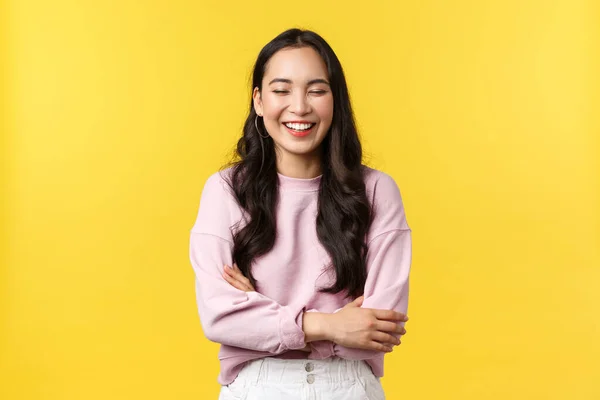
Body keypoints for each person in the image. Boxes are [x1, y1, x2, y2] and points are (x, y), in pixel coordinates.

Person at [189, 28, 412, 400]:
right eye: (281, 90)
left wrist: (261, 316)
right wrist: (330, 325)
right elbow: (219, 316)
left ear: (335, 100)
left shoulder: (376, 191)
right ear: (259, 101)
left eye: (316, 90)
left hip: (350, 388)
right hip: (257, 387)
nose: (300, 107)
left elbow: (377, 330)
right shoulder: (226, 190)